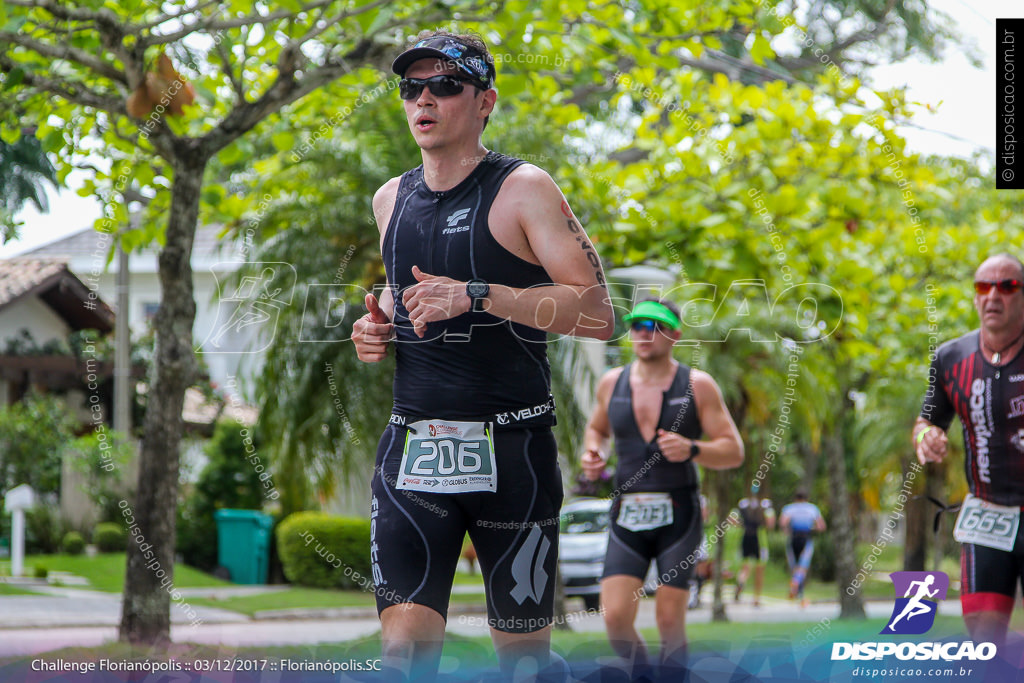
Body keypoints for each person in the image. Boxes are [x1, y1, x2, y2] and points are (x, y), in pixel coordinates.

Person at [351, 30, 614, 681]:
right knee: (404, 652)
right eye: (413, 86)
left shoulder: (523, 188)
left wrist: (477, 294)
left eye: (446, 84)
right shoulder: (391, 199)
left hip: (513, 453)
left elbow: (598, 312)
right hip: (414, 451)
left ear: (486, 100)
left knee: (522, 661)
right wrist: (375, 327)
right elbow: (400, 294)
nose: (425, 98)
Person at [581, 298, 744, 674]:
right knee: (615, 620)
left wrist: (693, 448)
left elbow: (733, 450)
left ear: (675, 334)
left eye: (654, 326)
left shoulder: (697, 385)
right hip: (627, 513)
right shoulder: (612, 382)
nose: (642, 333)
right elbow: (597, 430)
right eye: (637, 325)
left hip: (679, 514)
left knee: (670, 622)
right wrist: (594, 452)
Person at [914, 253, 1024, 648]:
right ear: (975, 297)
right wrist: (925, 438)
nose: (993, 295)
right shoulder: (950, 358)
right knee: (984, 642)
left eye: (1007, 286)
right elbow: (926, 420)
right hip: (987, 513)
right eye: (983, 286)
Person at [778, 490, 825, 606]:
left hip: (793, 538)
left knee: (794, 566)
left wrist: (786, 531)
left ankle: (797, 589)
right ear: (806, 498)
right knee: (803, 566)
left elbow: (783, 523)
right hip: (806, 538)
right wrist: (812, 528)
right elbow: (821, 526)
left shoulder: (789, 508)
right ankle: (797, 585)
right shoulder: (812, 508)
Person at [733, 483, 775, 607]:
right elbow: (770, 523)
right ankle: (756, 598)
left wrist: (741, 525)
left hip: (745, 536)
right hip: (759, 538)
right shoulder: (766, 505)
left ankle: (741, 581)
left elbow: (732, 519)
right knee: (759, 570)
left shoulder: (743, 504)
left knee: (745, 567)